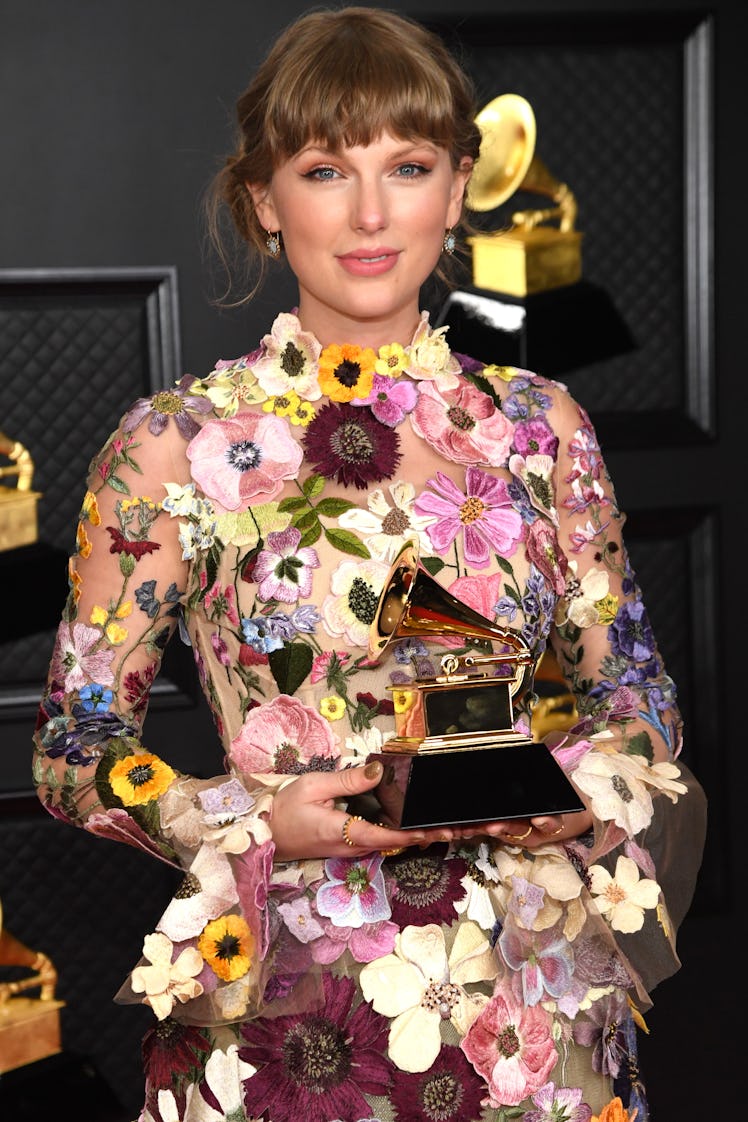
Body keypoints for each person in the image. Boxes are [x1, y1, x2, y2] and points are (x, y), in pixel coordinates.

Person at [32, 7, 707, 1121]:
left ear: (455, 189)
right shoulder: (173, 448)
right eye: (321, 169)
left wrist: (578, 793)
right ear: (262, 200)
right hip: (289, 1010)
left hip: (532, 1019)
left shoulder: (542, 430)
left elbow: (635, 697)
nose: (370, 211)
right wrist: (240, 819)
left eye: (407, 165)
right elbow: (74, 745)